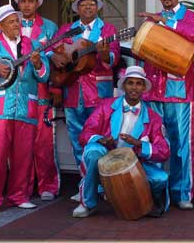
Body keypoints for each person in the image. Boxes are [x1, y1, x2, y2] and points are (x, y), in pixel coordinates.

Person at [0, 4, 50, 212]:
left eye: (17, 20)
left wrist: (38, 64)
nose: (17, 24)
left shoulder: (32, 44)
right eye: (13, 21)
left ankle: (19, 195)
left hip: (27, 107)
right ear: (1, 26)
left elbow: (44, 75)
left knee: (23, 155)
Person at [49, 0, 120, 202]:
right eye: (83, 4)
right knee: (78, 141)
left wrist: (107, 54)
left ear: (97, 7)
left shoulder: (107, 29)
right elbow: (50, 49)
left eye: (91, 3)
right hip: (72, 92)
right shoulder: (67, 29)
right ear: (77, 8)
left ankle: (103, 186)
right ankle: (85, 184)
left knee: (102, 141)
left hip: (99, 95)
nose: (88, 7)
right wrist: (54, 57)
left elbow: (114, 60)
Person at [138, 0, 194, 210]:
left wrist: (163, 21)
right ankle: (156, 191)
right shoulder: (154, 20)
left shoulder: (189, 16)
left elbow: (193, 34)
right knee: (154, 143)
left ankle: (182, 192)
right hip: (154, 91)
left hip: (178, 92)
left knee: (180, 143)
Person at [73, 66, 170, 218]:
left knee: (160, 178)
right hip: (106, 158)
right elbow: (85, 133)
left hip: (134, 164)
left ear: (144, 87)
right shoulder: (106, 106)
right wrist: (101, 140)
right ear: (124, 85)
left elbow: (164, 151)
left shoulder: (153, 117)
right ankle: (87, 204)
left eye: (138, 84)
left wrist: (138, 144)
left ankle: (137, 200)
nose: (134, 87)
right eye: (130, 83)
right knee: (92, 151)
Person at [15, 0, 60, 201]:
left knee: (43, 142)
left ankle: (47, 185)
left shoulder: (50, 27)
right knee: (20, 143)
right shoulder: (9, 26)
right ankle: (23, 186)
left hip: (42, 90)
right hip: (17, 93)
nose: (26, 5)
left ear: (37, 3)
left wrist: (54, 87)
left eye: (30, 1)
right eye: (22, 1)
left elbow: (57, 60)